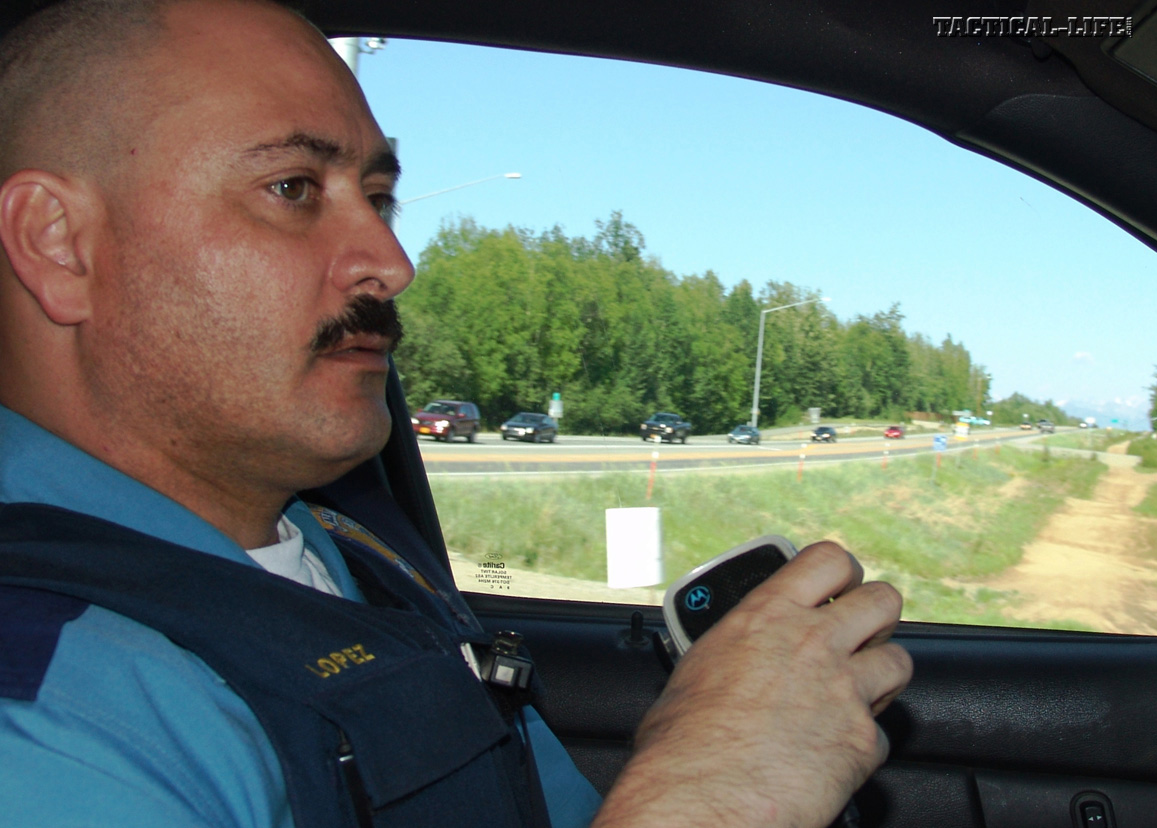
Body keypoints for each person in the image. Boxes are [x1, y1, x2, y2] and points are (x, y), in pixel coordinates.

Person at [0, 0, 912, 826]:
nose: (391, 261)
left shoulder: (355, 554)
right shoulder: (45, 710)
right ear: (59, 244)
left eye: (380, 195)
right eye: (293, 189)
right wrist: (710, 801)